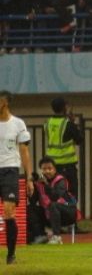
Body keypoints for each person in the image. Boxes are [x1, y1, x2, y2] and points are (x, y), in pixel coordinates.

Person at [0, 91, 33, 265]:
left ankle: (10, 254)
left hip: (10, 170)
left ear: (4, 103)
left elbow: (24, 151)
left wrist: (28, 177)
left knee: (8, 210)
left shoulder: (18, 124)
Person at [43, 97, 83, 209]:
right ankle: (71, 223)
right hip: (67, 166)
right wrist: (73, 122)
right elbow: (79, 139)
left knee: (54, 194)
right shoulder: (67, 124)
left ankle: (55, 220)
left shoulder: (48, 123)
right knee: (71, 194)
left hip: (51, 166)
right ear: (64, 107)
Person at [34, 156, 79, 244]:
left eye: (50, 168)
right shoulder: (39, 183)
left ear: (54, 169)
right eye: (44, 169)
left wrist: (46, 184)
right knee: (32, 209)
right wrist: (31, 182)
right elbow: (33, 200)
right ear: (40, 171)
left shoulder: (61, 180)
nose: (47, 171)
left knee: (53, 205)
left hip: (68, 213)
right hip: (50, 215)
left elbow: (55, 197)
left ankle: (57, 237)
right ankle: (39, 236)